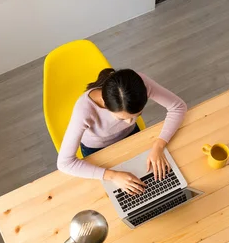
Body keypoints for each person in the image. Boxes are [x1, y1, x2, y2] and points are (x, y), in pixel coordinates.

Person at [57, 68, 187, 195]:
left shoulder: (139, 85)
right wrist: (112, 176)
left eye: (137, 115)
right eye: (121, 118)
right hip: (98, 150)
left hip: (131, 136)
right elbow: (64, 163)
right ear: (105, 104)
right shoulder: (84, 110)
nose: (129, 122)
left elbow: (178, 107)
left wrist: (159, 145)